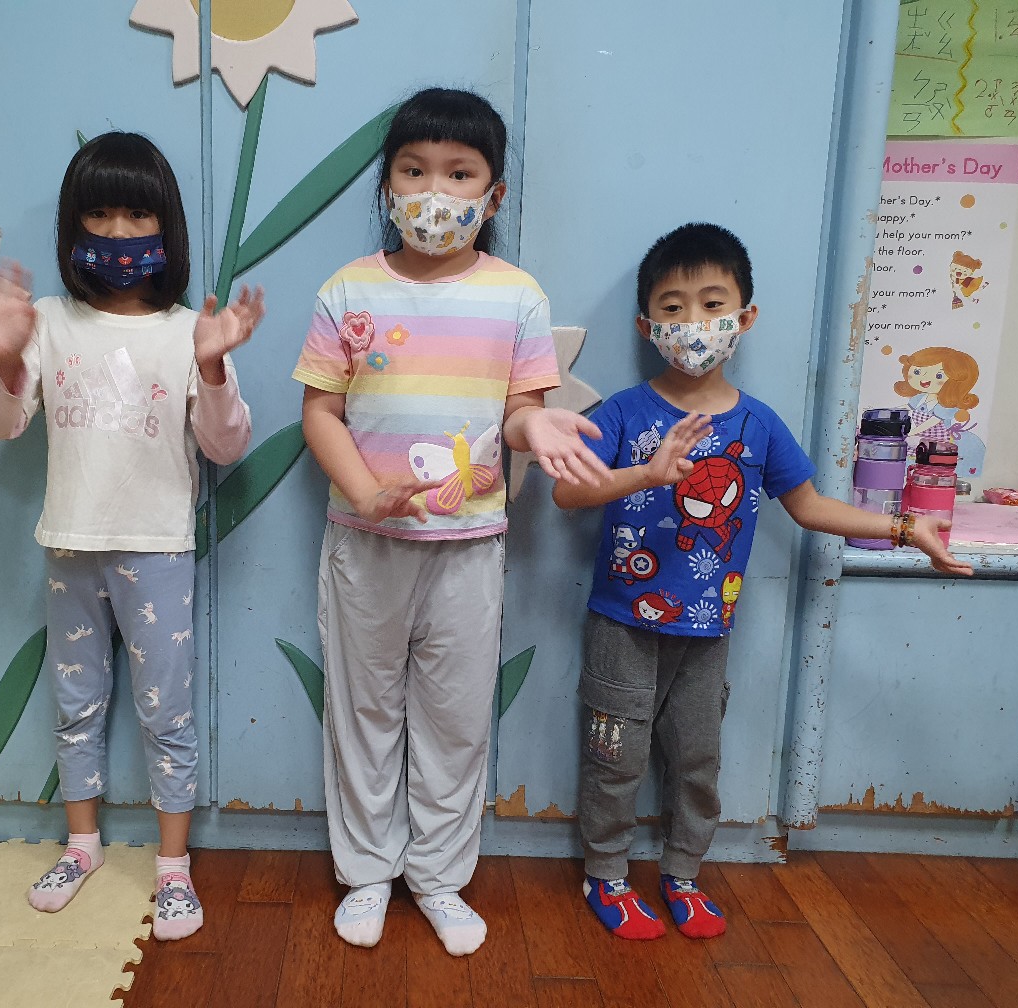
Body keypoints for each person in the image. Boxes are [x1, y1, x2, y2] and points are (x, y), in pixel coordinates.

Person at [553, 222, 972, 941]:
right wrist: (646, 474)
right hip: (622, 622)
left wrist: (906, 528)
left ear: (744, 318)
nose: (692, 323)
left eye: (712, 304)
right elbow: (567, 495)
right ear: (646, 325)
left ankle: (682, 875)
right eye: (673, 307)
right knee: (613, 757)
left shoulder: (760, 425)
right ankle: (608, 877)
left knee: (697, 759)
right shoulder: (623, 411)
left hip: (709, 630)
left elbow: (809, 507)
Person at [292, 87, 609, 957]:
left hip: (469, 547)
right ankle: (367, 872)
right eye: (415, 170)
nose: (436, 191)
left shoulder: (517, 297)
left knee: (456, 718)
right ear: (388, 186)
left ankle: (437, 878)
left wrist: (536, 427)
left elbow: (521, 412)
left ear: (492, 194)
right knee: (363, 711)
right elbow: (321, 412)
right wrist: (365, 492)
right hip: (365, 543)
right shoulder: (348, 289)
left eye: (460, 173)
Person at [0, 131, 264, 941]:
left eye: (137, 214)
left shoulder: (188, 330)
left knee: (168, 712)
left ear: (167, 226)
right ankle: (83, 846)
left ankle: (173, 866)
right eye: (99, 214)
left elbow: (226, 445)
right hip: (69, 542)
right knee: (76, 704)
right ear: (73, 227)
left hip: (157, 548)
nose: (119, 232)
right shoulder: (48, 322)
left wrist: (212, 368)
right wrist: (1, 356)